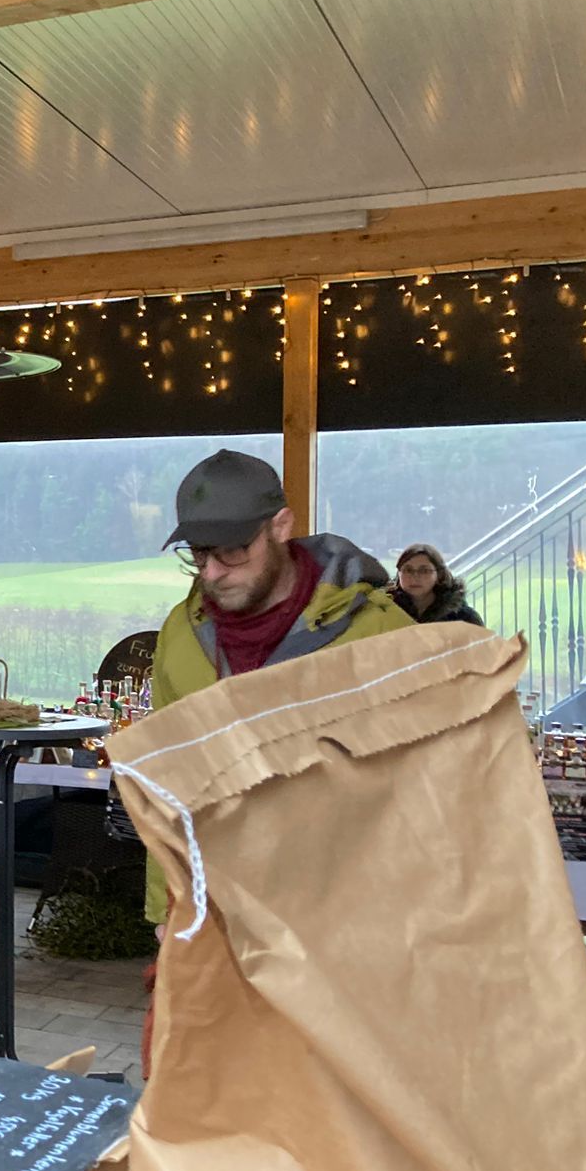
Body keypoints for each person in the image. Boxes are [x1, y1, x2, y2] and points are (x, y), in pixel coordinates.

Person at [141, 450, 414, 1070]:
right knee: (194, 1093)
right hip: (212, 918)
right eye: (198, 556)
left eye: (232, 552)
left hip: (342, 934)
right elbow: (167, 781)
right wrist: (166, 910)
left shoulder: (379, 634)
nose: (212, 574)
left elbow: (429, 793)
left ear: (281, 527)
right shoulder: (180, 635)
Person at [390, 543, 484, 626]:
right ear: (398, 574)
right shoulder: (386, 611)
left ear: (439, 575)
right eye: (408, 570)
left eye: (424, 571)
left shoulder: (464, 618)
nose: (415, 576)